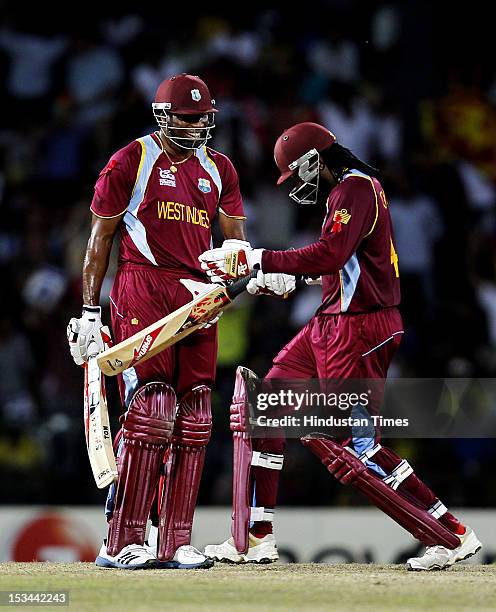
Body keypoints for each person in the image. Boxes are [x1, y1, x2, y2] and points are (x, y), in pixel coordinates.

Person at [198, 122, 482, 571]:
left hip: (359, 328)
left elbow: (331, 255)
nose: (296, 186)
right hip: (332, 322)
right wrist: (289, 277)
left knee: (359, 446)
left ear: (315, 160)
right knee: (266, 408)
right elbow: (345, 264)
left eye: (297, 174)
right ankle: (257, 538)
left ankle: (450, 533)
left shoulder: (356, 189)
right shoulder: (348, 192)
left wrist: (259, 258)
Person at [66, 72, 294, 570]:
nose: (195, 127)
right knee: (149, 409)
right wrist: (88, 309)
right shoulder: (132, 159)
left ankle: (174, 541)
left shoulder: (221, 169)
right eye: (186, 118)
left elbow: (233, 245)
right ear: (164, 116)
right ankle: (122, 540)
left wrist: (256, 270)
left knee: (193, 416)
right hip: (143, 286)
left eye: (201, 118)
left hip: (199, 295)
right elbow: (99, 239)